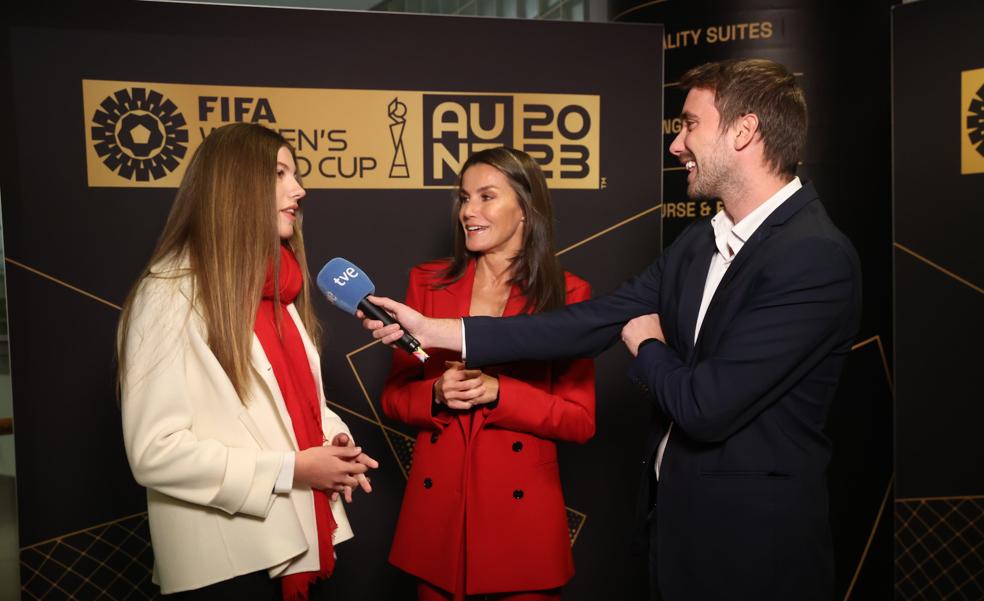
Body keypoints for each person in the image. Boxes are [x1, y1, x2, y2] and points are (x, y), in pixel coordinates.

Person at [362, 59, 862, 601]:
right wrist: (440, 331)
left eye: (691, 124)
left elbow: (705, 406)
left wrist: (645, 342)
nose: (676, 144)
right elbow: (587, 322)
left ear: (743, 131)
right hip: (676, 531)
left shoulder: (813, 256)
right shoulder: (699, 244)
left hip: (755, 550)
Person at [117, 123, 378, 600]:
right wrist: (292, 470)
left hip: (298, 544)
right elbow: (155, 452)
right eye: (280, 174)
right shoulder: (169, 292)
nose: (299, 190)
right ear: (235, 187)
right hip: (225, 566)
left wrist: (333, 445)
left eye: (294, 175)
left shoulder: (279, 290)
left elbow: (285, 408)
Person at [381, 147, 595, 601]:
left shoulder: (569, 293)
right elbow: (394, 398)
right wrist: (435, 394)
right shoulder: (427, 283)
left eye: (486, 197)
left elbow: (580, 421)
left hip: (521, 532)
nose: (468, 212)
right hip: (438, 528)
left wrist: (501, 393)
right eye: (464, 198)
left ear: (525, 208)